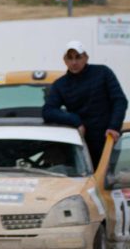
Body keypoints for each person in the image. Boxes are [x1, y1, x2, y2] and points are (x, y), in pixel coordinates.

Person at [42, 40, 127, 168]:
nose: (74, 62)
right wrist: (75, 120)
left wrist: (114, 126)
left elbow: (120, 100)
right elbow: (48, 111)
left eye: (78, 57)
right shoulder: (60, 84)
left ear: (86, 57)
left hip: (108, 140)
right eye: (70, 58)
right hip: (81, 144)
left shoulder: (103, 72)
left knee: (108, 182)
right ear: (64, 60)